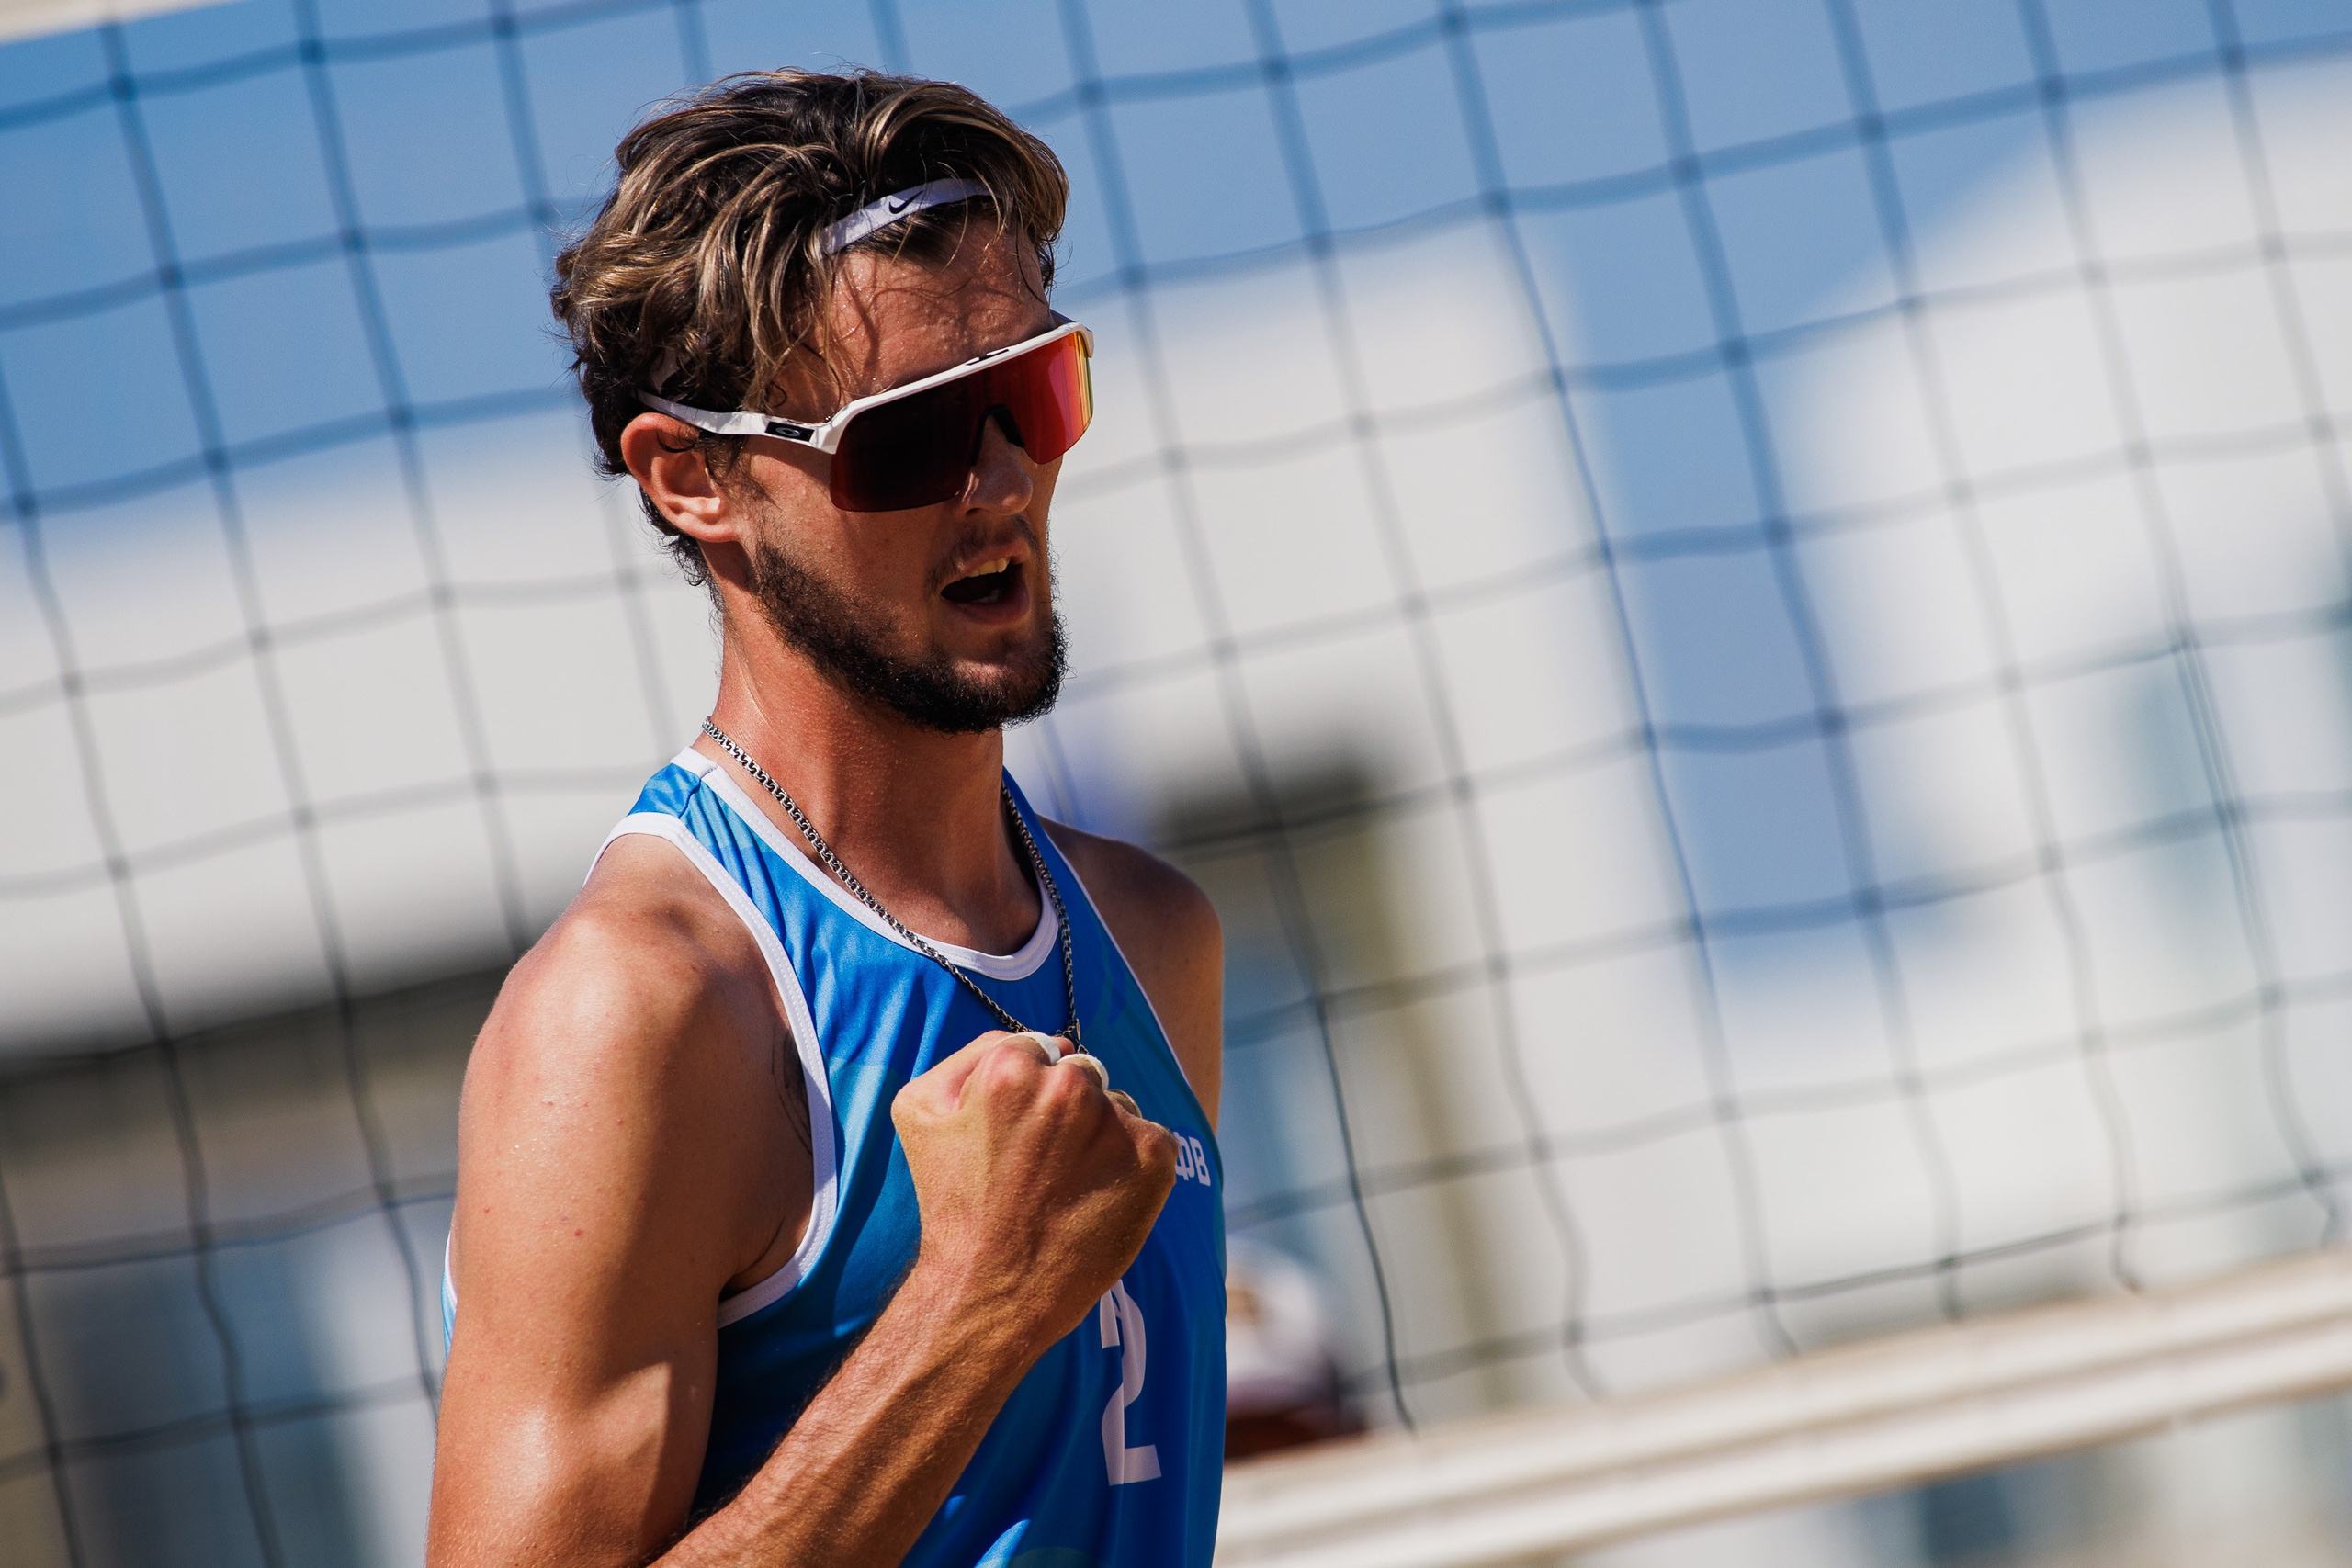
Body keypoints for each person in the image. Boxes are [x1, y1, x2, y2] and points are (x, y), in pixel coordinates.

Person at [426, 70, 1225, 1568]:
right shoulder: (640, 1013)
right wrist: (968, 1307)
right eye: (913, 433)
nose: (1001, 479)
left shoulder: (1152, 935)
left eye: (1032, 391)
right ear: (694, 479)